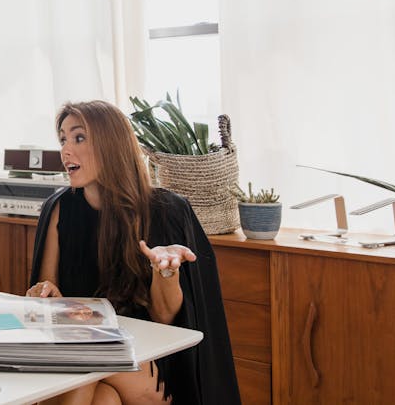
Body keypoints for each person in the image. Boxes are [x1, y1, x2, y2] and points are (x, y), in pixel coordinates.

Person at [27, 100, 240, 405]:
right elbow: (46, 300)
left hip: (147, 362)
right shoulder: (59, 208)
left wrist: (165, 271)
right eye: (62, 139)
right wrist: (45, 294)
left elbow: (165, 318)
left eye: (79, 137)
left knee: (85, 360)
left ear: (111, 144)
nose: (66, 150)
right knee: (103, 399)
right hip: (83, 347)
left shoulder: (165, 210)